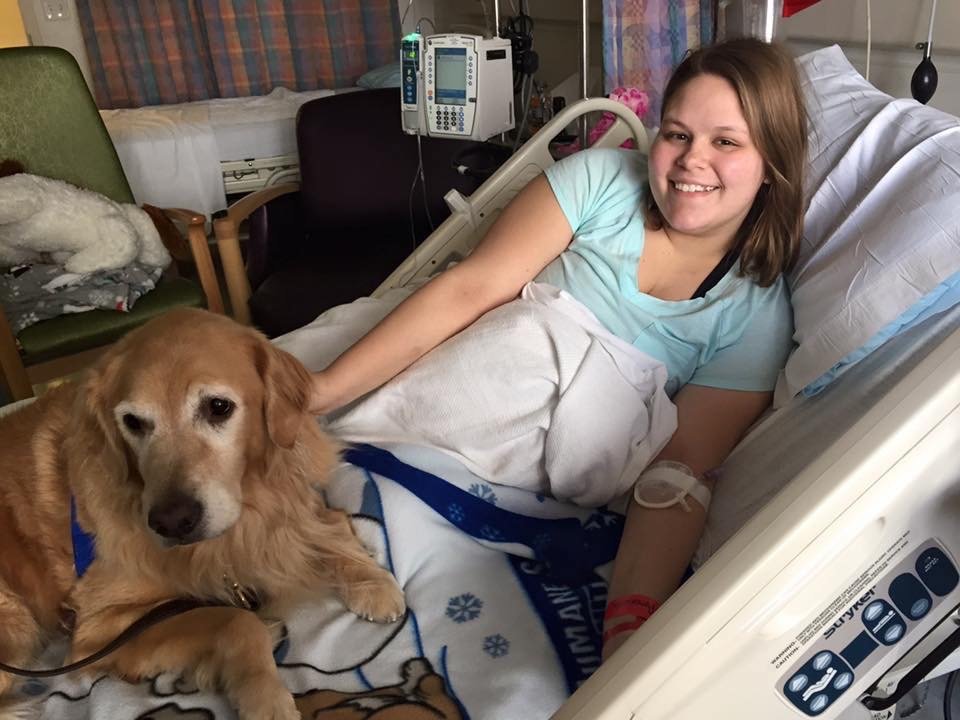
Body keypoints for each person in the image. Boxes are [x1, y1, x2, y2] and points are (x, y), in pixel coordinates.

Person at [308, 37, 808, 660]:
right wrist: (322, 390)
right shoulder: (600, 181)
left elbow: (674, 478)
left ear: (772, 162)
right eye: (677, 134)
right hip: (457, 371)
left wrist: (630, 628)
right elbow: (470, 289)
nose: (690, 162)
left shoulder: (755, 317)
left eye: (725, 142)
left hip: (532, 464)